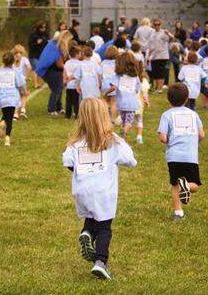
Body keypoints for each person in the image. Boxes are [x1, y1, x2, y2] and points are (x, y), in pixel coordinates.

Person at [62, 98, 137, 280]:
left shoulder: (75, 142)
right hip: (104, 192)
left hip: (82, 190)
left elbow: (68, 162)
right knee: (104, 227)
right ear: (104, 116)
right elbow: (130, 160)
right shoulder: (113, 141)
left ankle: (87, 232)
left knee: (91, 216)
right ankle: (101, 262)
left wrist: (82, 170)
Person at [158, 83, 205, 221]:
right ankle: (188, 186)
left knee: (175, 185)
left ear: (169, 99)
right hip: (190, 156)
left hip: (174, 156)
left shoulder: (166, 115)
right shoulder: (193, 115)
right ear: (187, 99)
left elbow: (163, 137)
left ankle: (178, 213)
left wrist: (170, 141)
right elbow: (201, 134)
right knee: (195, 185)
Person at [103, 51, 142, 140]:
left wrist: (106, 93)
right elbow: (136, 90)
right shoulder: (135, 77)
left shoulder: (118, 76)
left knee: (124, 121)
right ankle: (122, 137)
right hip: (132, 104)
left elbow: (114, 87)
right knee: (128, 122)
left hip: (121, 103)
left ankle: (122, 138)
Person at [0, 52, 26, 146]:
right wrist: (23, 92)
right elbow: (21, 84)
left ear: (3, 61)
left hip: (2, 97)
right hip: (12, 98)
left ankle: (2, 122)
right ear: (13, 62)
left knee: (6, 114)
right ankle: (7, 138)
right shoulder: (15, 72)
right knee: (9, 119)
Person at [36, 30, 73, 115]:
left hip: (55, 70)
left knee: (59, 88)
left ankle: (59, 107)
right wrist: (67, 68)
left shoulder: (54, 44)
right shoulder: (56, 47)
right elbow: (59, 64)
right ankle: (51, 109)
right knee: (56, 89)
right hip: (51, 71)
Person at [131, 42, 151, 144]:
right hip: (140, 104)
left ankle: (124, 136)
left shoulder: (130, 79)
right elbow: (145, 93)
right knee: (140, 120)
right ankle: (139, 136)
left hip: (130, 103)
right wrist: (147, 101)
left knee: (128, 121)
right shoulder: (143, 81)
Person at [148, 18, 174, 93]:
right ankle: (157, 87)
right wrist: (149, 56)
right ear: (153, 25)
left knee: (160, 72)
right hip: (154, 56)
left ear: (160, 25)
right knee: (155, 73)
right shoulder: (152, 33)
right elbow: (150, 45)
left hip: (162, 56)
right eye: (155, 24)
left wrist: (168, 33)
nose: (157, 26)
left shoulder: (163, 32)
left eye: (158, 24)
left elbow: (172, 39)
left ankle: (160, 89)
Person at [12, 44, 32, 120]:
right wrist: (27, 77)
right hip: (22, 81)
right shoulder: (24, 59)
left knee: (16, 97)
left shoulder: (12, 59)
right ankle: (23, 110)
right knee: (24, 95)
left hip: (13, 81)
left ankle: (15, 114)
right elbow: (29, 68)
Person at [63, 46, 82, 119]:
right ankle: (77, 115)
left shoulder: (67, 63)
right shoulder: (79, 63)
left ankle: (67, 116)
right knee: (76, 101)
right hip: (76, 85)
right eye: (80, 53)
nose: (81, 55)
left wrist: (65, 81)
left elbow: (64, 72)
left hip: (68, 86)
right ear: (77, 55)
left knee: (68, 101)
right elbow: (77, 74)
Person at [101, 46, 118, 122]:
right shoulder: (117, 63)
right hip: (114, 85)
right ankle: (113, 119)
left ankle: (105, 119)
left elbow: (100, 74)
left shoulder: (103, 63)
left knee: (105, 103)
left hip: (105, 85)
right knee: (113, 103)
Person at [28, 21, 48, 88]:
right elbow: (30, 45)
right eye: (43, 27)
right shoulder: (33, 35)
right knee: (36, 68)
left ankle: (37, 83)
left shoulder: (44, 34)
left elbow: (46, 43)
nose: (44, 28)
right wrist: (37, 43)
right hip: (33, 54)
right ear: (39, 28)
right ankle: (36, 84)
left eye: (45, 27)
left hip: (41, 55)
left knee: (39, 68)